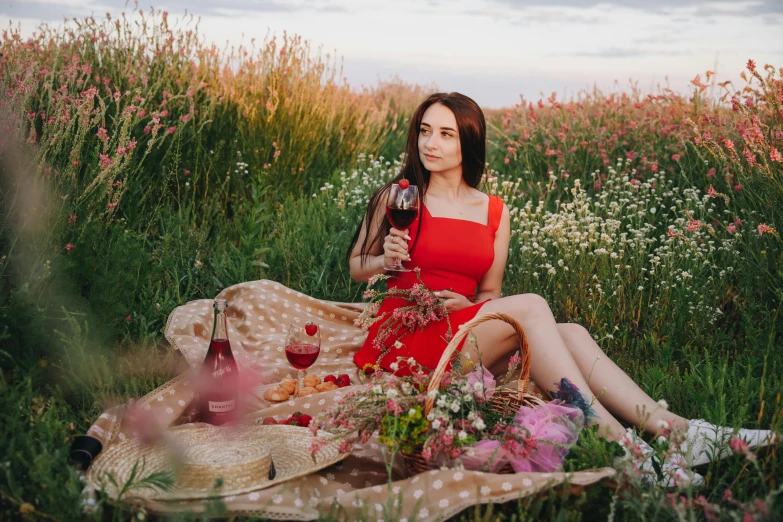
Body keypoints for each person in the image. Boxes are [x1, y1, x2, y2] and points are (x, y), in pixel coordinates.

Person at [347, 92, 777, 487]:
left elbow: (490, 294)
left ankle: (677, 429)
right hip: (409, 339)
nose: (430, 143)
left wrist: (471, 307)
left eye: (445, 133)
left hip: (462, 329)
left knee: (570, 333)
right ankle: (627, 449)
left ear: (468, 143)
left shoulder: (494, 210)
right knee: (534, 308)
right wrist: (385, 260)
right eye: (424, 131)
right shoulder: (399, 196)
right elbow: (356, 268)